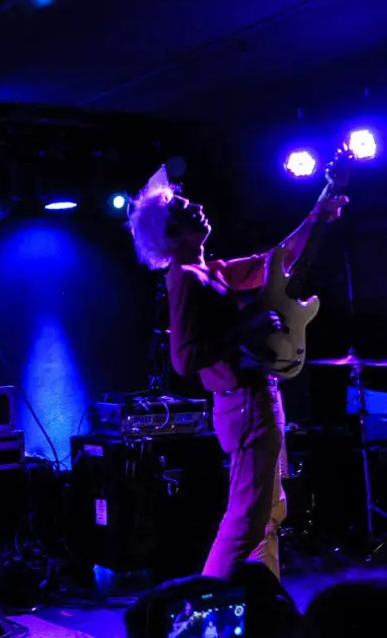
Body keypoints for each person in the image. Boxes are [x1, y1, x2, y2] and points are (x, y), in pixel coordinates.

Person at [127, 166, 346, 579]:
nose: (198, 206)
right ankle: (205, 608)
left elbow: (275, 259)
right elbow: (184, 358)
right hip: (244, 405)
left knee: (268, 515)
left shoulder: (214, 273)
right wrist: (246, 328)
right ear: (172, 232)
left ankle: (261, 603)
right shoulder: (187, 279)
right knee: (246, 522)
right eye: (185, 207)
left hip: (256, 399)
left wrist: (318, 212)